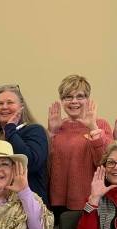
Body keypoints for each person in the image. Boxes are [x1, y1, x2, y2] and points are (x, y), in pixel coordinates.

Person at [47, 74, 112, 213]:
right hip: (57, 202)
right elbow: (47, 165)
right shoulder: (56, 125)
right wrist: (51, 132)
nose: (74, 101)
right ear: (62, 100)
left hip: (91, 201)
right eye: (68, 97)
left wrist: (93, 128)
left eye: (80, 96)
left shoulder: (100, 125)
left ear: (88, 99)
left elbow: (105, 162)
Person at [0, 85, 50, 203]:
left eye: (10, 102)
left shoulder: (35, 130)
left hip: (27, 205)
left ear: (21, 107)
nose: (4, 107)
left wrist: (10, 129)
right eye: (0, 103)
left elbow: (31, 163)